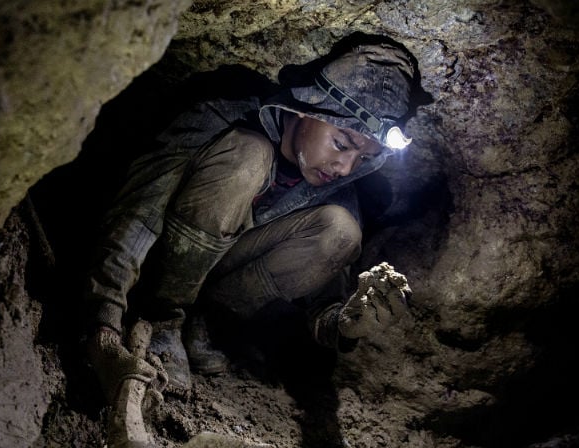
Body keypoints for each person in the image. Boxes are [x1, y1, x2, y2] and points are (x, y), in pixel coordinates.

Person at [83, 34, 417, 408]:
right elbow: (137, 213)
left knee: (341, 231)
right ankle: (163, 317)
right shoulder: (224, 115)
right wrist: (103, 318)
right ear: (307, 110)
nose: (345, 167)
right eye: (342, 144)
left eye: (363, 158)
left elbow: (324, 298)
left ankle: (205, 329)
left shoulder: (336, 188)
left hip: (216, 291)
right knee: (250, 156)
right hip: (155, 267)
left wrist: (348, 324)